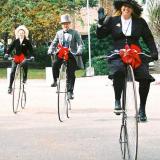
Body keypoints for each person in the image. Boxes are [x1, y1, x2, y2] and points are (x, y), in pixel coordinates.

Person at [96, 0, 158, 121]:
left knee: (145, 77)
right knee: (118, 71)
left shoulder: (140, 22)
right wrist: (100, 23)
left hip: (135, 52)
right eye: (124, 6)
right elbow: (100, 35)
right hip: (118, 52)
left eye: (129, 7)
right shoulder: (113, 21)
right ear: (121, 7)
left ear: (133, 9)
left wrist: (154, 52)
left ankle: (142, 109)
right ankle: (118, 101)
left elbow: (149, 38)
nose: (126, 8)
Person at [48, 14, 83, 99]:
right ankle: (55, 80)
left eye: (67, 23)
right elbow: (54, 43)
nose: (65, 25)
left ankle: (70, 91)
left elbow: (80, 44)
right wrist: (50, 50)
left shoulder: (75, 33)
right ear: (62, 25)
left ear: (69, 24)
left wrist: (79, 51)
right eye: (64, 24)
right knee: (55, 63)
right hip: (61, 53)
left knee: (71, 73)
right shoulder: (59, 33)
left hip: (71, 54)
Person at [4, 25, 33, 94]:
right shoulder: (16, 41)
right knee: (12, 71)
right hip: (16, 57)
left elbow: (31, 50)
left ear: (24, 34)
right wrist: (7, 53)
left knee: (25, 62)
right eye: (19, 33)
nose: (21, 34)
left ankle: (25, 77)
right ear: (18, 33)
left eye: (22, 33)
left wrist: (32, 56)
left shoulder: (27, 41)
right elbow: (10, 48)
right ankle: (10, 87)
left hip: (23, 57)